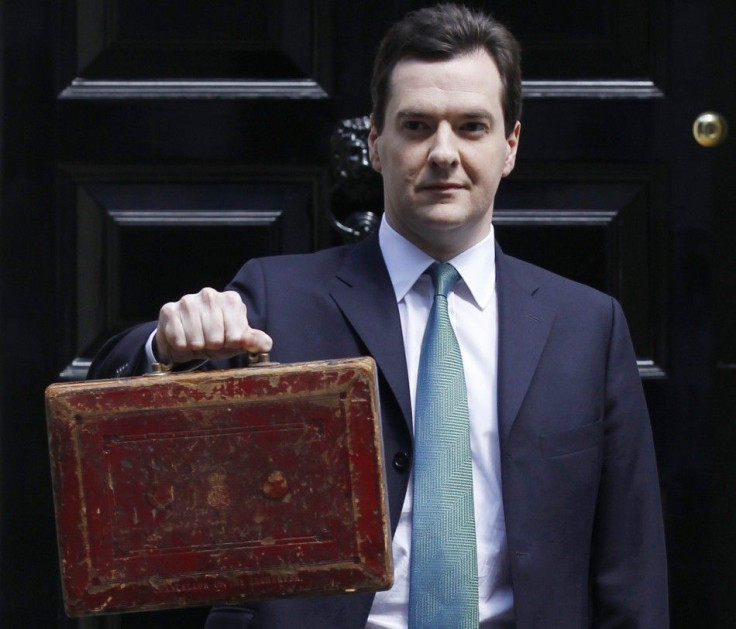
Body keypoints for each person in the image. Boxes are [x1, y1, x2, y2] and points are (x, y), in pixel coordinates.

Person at [89, 3, 669, 628]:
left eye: (472, 127)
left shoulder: (587, 327)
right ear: (374, 142)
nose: (443, 152)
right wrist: (163, 348)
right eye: (417, 126)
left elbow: (629, 570)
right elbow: (106, 417)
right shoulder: (277, 299)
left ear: (510, 145)